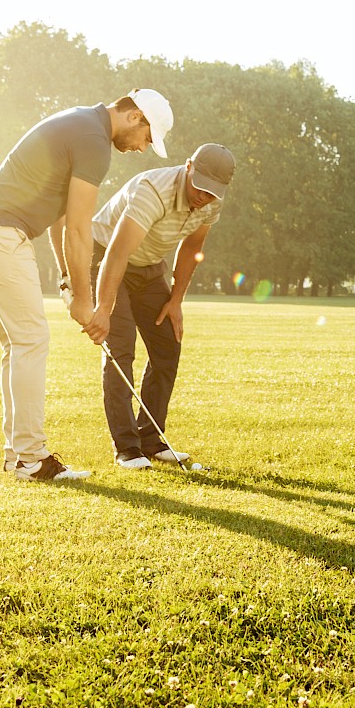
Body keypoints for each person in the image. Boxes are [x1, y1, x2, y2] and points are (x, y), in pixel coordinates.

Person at [0, 89, 174, 481]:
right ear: (135, 116)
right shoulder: (93, 140)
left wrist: (70, 282)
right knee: (31, 340)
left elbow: (61, 219)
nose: (143, 148)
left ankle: (17, 455)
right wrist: (84, 300)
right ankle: (31, 458)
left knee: (18, 344)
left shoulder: (83, 123)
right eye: (147, 138)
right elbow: (78, 230)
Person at [85, 143, 236, 469]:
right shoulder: (152, 191)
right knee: (121, 347)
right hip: (107, 259)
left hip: (150, 267)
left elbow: (193, 245)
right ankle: (128, 449)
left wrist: (176, 299)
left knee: (168, 344)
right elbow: (117, 253)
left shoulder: (210, 203)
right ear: (188, 167)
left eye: (213, 192)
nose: (203, 197)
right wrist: (103, 308)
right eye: (200, 186)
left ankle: (152, 440)